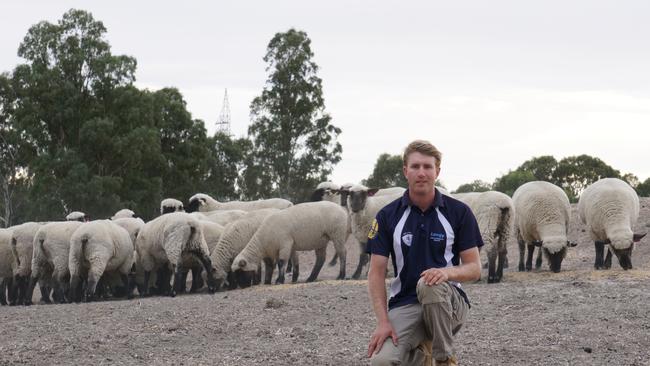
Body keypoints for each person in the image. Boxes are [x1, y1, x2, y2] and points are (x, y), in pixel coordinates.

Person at [366, 140, 483, 366]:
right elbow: (376, 273)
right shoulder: (387, 216)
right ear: (405, 171)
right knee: (382, 362)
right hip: (406, 304)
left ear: (437, 172)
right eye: (415, 166)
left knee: (429, 284)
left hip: (449, 303)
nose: (422, 173)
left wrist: (446, 274)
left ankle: (443, 358)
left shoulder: (459, 212)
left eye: (428, 167)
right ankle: (421, 354)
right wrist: (383, 322)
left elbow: (474, 268)